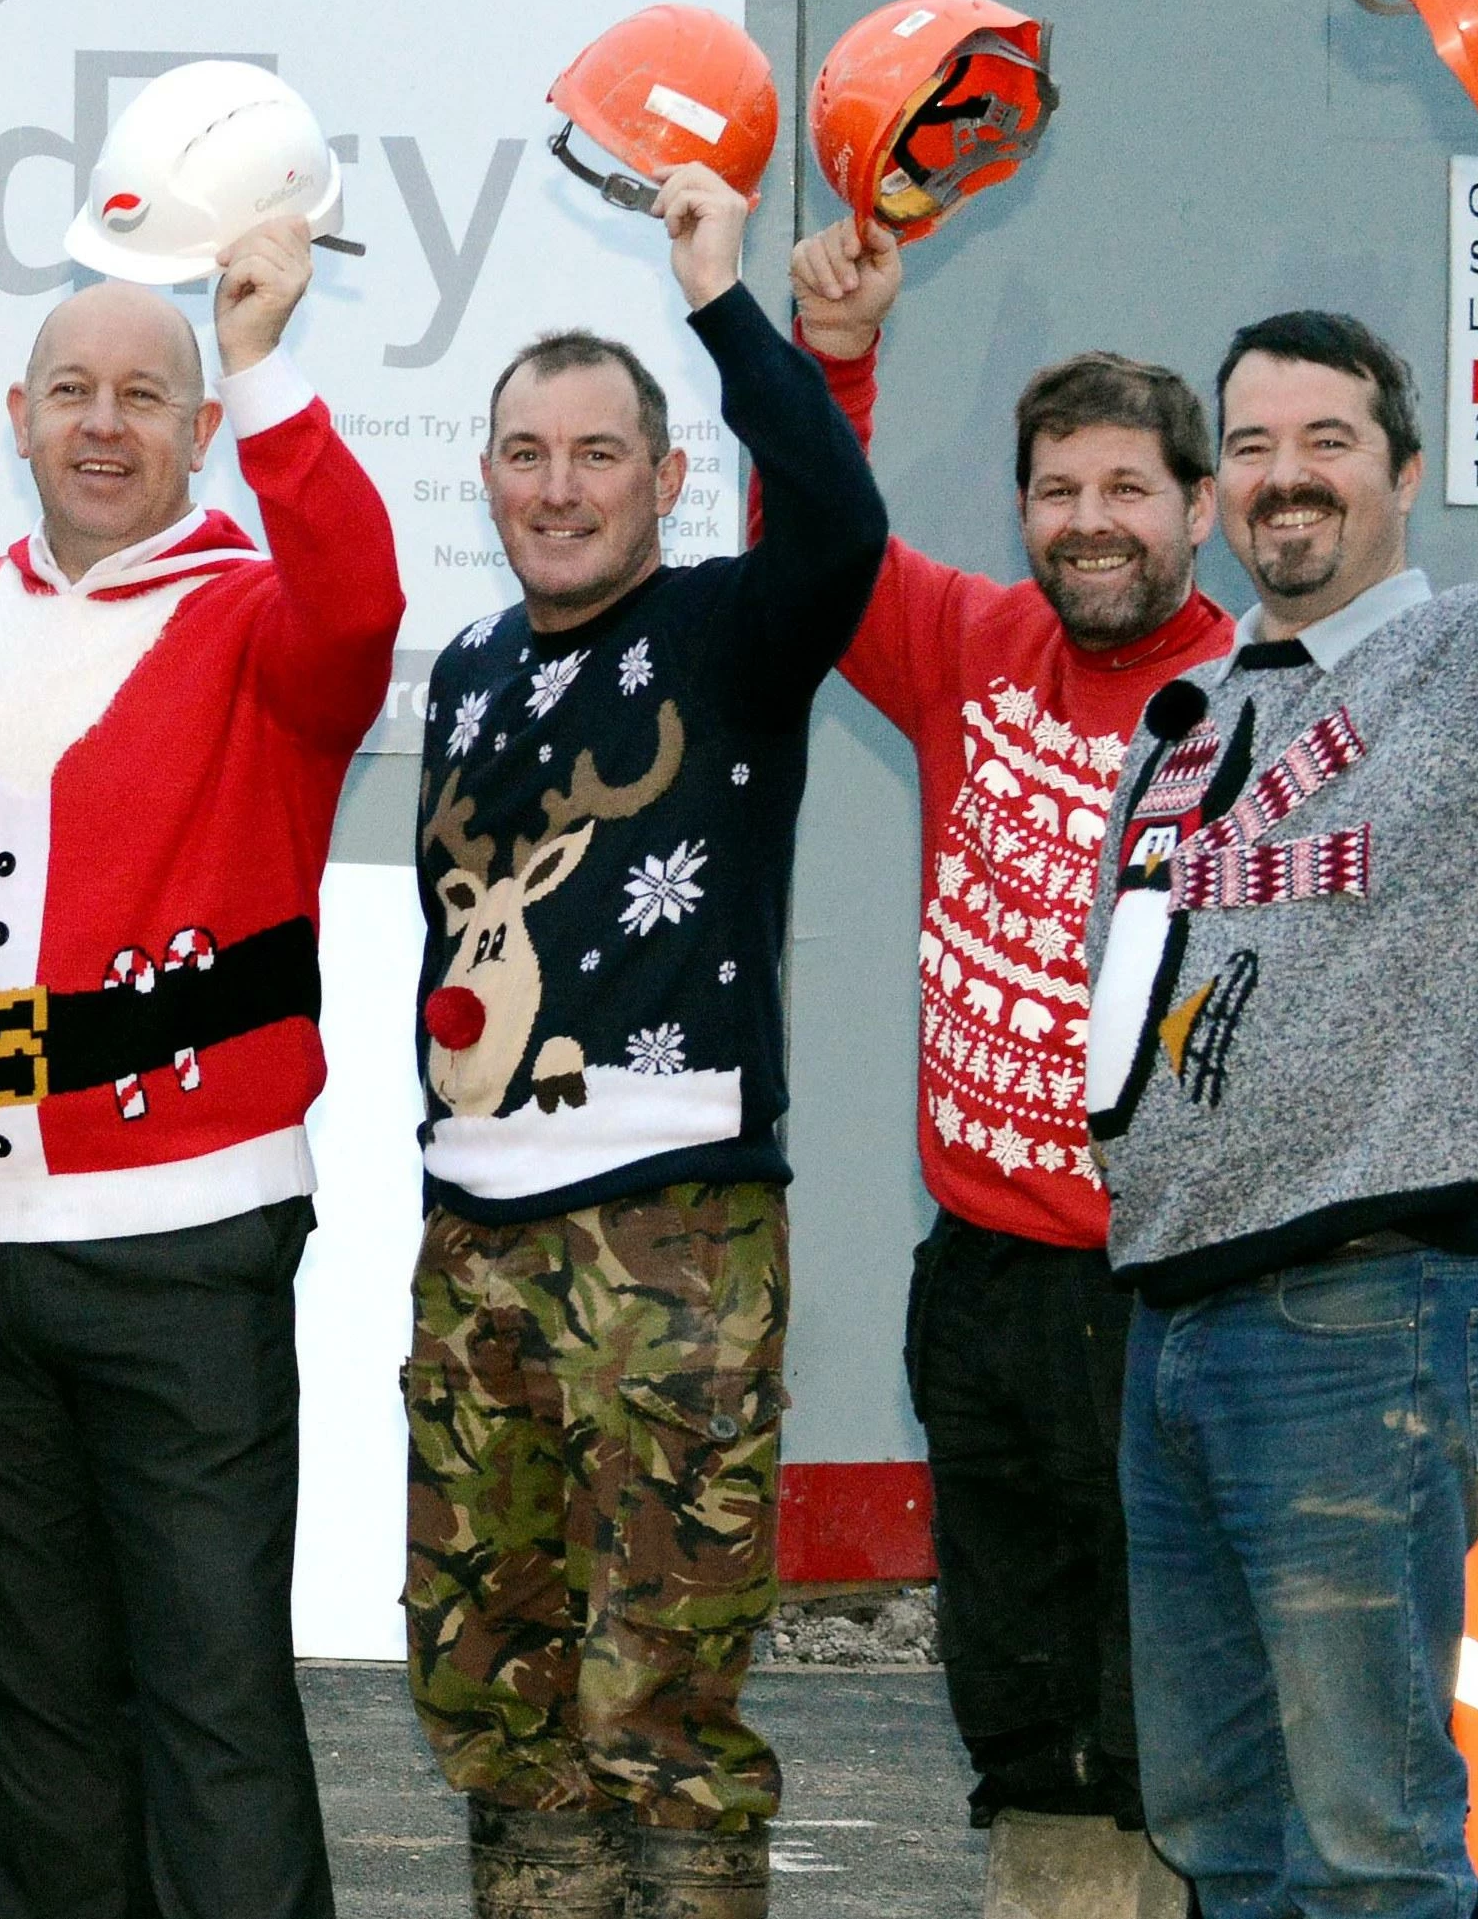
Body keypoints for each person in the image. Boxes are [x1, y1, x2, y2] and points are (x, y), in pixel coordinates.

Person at [1081, 135, 1478, 1919]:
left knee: (1370, 1846)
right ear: (1214, 492)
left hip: (1357, 1321)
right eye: (1250, 446)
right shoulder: (1177, 725)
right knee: (1222, 1835)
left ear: (1404, 477)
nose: (1286, 478)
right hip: (1169, 1330)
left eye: (1327, 442)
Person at [0, 212, 397, 1919]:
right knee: (29, 1711)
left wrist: (265, 360)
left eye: (147, 393)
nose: (104, 422)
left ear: (200, 433)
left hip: (184, 1256)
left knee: (210, 1704)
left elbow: (364, 601)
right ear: (20, 414)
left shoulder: (270, 626)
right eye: (73, 391)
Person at [400, 162, 887, 1919]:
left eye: (597, 453)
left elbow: (836, 523)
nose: (558, 488)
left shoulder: (729, 631)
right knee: (487, 1669)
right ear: (487, 481)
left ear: (667, 481)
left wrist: (713, 294)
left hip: (668, 1237)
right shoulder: (461, 665)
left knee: (660, 1689)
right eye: (525, 456)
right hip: (472, 1243)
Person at [783, 218, 1224, 1915]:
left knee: (1173, 1701)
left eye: (1127, 488)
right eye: (1057, 489)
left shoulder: (1266, 697)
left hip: (1179, 1290)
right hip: (979, 1284)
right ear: (1021, 509)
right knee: (1025, 1709)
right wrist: (834, 360)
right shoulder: (967, 650)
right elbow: (815, 548)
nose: (1090, 520)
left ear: (1195, 508)